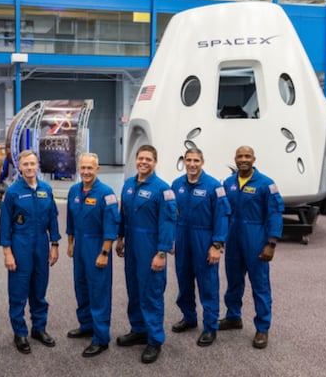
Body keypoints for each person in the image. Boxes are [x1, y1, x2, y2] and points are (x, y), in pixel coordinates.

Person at [116, 144, 176, 364]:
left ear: (155, 162)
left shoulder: (163, 189)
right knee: (134, 290)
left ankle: (154, 339)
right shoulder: (128, 185)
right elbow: (123, 214)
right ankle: (138, 329)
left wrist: (162, 252)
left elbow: (168, 222)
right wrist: (120, 238)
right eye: (140, 158)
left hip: (151, 245)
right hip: (131, 244)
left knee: (151, 292)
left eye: (148, 159)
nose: (143, 162)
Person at [219, 146, 284, 349]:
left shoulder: (266, 184)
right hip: (233, 239)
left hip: (256, 239)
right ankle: (233, 317)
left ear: (254, 158)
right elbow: (222, 212)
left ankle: (262, 328)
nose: (243, 159)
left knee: (260, 284)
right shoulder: (228, 183)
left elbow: (275, 213)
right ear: (235, 159)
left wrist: (271, 243)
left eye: (247, 156)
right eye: (240, 156)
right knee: (234, 281)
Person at [0, 150, 60, 354]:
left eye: (32, 163)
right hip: (20, 244)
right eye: (25, 164)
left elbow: (53, 218)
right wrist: (7, 252)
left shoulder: (46, 189)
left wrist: (55, 245)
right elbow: (4, 224)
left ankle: (39, 328)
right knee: (18, 291)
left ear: (37, 165)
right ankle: (20, 332)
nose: (29, 167)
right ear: (20, 167)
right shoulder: (13, 192)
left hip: (41, 244)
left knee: (39, 289)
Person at [170, 148, 230, 347]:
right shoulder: (176, 185)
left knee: (208, 284)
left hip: (204, 238)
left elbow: (222, 217)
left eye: (196, 160)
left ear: (202, 162)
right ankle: (189, 317)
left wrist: (216, 245)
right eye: (188, 160)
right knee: (184, 280)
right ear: (184, 161)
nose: (192, 164)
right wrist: (171, 238)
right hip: (182, 238)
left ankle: (210, 326)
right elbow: (171, 215)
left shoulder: (214, 187)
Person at [65, 153, 120, 358]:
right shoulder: (74, 191)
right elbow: (70, 220)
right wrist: (71, 244)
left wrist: (105, 252)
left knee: (99, 291)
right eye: (83, 168)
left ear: (98, 169)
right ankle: (86, 325)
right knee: (81, 287)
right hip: (80, 245)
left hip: (97, 245)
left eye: (90, 168)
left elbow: (111, 225)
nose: (86, 172)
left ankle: (101, 338)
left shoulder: (106, 193)